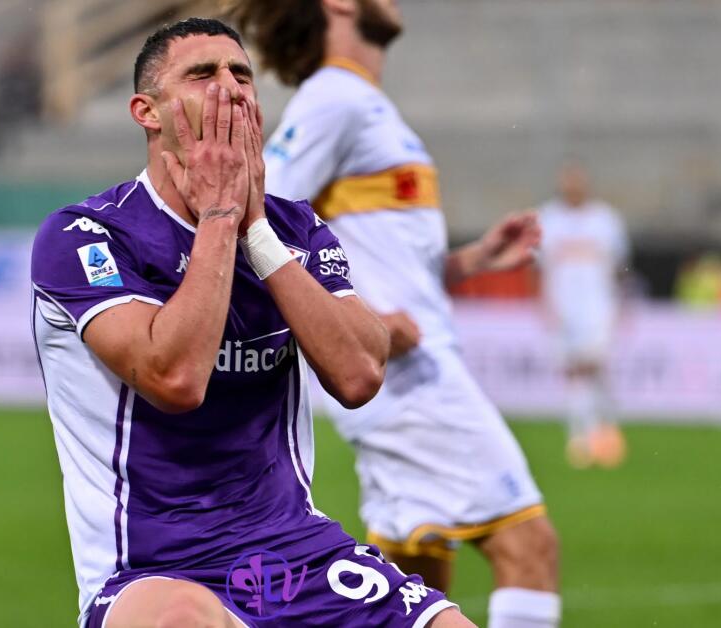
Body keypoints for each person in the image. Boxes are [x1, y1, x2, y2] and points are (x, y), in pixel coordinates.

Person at [30, 17, 478, 628]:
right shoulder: (88, 235)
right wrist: (218, 212)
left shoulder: (294, 229)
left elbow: (359, 374)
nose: (231, 88)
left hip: (297, 552)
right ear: (147, 111)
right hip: (156, 568)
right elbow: (175, 378)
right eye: (202, 74)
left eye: (242, 74)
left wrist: (256, 232)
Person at [229, 2, 562, 627]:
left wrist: (469, 261)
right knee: (528, 544)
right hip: (408, 378)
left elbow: (373, 258)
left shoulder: (361, 102)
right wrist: (368, 321)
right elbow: (255, 216)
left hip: (399, 373)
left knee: (413, 586)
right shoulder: (335, 99)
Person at [538, 162, 631, 468]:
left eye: (577, 181)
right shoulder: (548, 219)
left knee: (594, 368)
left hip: (598, 307)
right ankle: (580, 437)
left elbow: (619, 267)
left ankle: (604, 431)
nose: (572, 187)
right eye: (568, 181)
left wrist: (623, 305)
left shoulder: (605, 220)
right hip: (564, 308)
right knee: (573, 371)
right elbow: (538, 268)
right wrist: (543, 304)